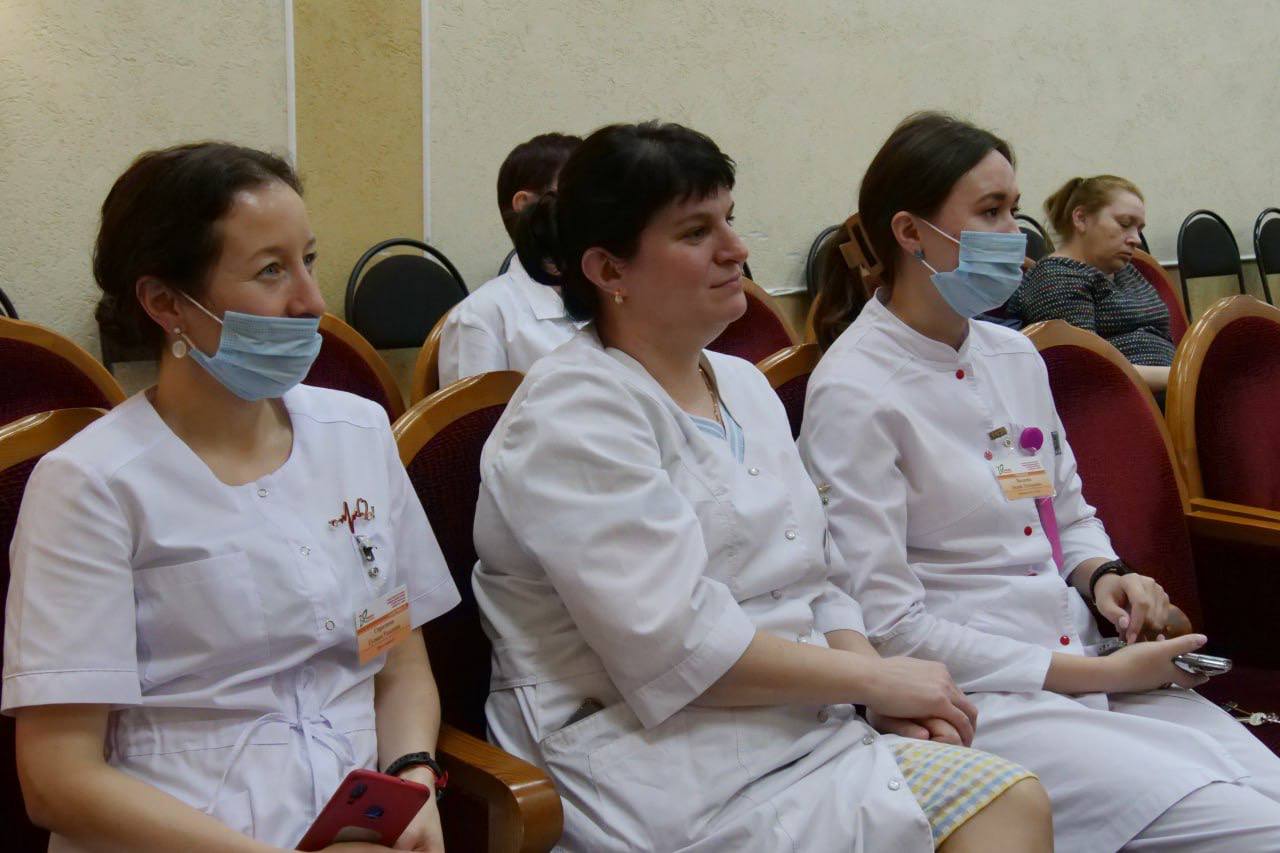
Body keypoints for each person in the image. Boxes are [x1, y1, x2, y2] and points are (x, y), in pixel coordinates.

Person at [471, 121, 1053, 852]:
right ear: (609, 269)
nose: (736, 249)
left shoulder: (744, 385)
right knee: (1001, 803)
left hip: (797, 724)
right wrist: (874, 683)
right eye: (696, 232)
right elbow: (680, 648)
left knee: (1007, 799)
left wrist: (875, 686)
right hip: (652, 760)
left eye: (730, 219)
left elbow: (820, 579)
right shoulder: (572, 413)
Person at [801, 111, 1280, 852]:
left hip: (1090, 664)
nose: (1016, 238)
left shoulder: (1014, 356)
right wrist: (1091, 674)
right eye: (991, 212)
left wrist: (1105, 575)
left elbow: (1068, 513)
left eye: (1014, 209)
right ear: (911, 232)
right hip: (986, 696)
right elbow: (889, 626)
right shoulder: (855, 390)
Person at [2, 143, 461, 852]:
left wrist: (412, 778)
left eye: (308, 260)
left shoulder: (358, 433)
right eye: (271, 270)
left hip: (358, 829)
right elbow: (57, 780)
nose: (311, 301)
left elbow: (399, 662)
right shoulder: (92, 484)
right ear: (165, 303)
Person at [436, 132, 584, 386]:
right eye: (578, 191)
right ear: (525, 204)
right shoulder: (482, 315)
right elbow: (479, 413)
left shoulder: (611, 298)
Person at [1007, 175, 1174, 394]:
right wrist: (1182, 377)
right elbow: (1086, 368)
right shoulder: (1056, 277)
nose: (1136, 239)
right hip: (1121, 402)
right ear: (1081, 219)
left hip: (1170, 392)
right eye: (1124, 224)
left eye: (1139, 229)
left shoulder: (1126, 271)